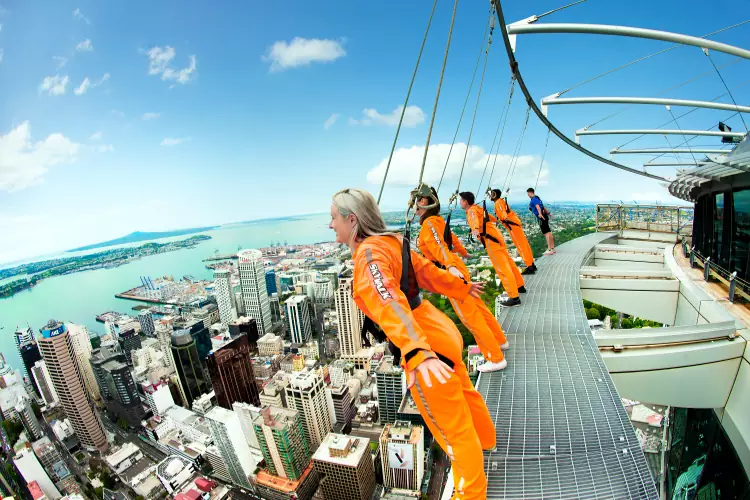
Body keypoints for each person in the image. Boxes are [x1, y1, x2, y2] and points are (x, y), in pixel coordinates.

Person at [330, 188, 494, 499]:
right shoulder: (394, 241)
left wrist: (418, 352)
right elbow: (428, 273)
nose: (330, 225)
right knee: (465, 393)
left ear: (352, 220)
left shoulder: (369, 255)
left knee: (451, 431)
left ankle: (471, 493)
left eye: (333, 218)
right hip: (439, 329)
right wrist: (461, 287)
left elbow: (389, 301)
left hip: (426, 344)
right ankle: (486, 441)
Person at [415, 186, 509, 373]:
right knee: (479, 310)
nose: (413, 206)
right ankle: (499, 341)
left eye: (415, 202)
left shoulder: (429, 224)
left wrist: (450, 266)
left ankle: (495, 357)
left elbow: (440, 246)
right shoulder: (437, 221)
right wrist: (463, 255)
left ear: (423, 202)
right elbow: (452, 240)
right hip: (456, 266)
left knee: (470, 317)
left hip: (451, 272)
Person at [460, 191, 525, 307]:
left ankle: (514, 297)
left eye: (461, 200)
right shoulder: (479, 208)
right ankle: (520, 286)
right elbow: (491, 218)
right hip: (496, 237)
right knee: (509, 263)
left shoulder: (471, 210)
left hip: (491, 241)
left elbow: (474, 218)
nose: (460, 203)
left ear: (465, 201)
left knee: (502, 268)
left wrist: (475, 228)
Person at [489, 188, 537, 274]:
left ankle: (530, 266)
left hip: (512, 226)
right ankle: (532, 264)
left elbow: (504, 215)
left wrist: (505, 221)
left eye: (492, 194)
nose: (490, 196)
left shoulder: (498, 203)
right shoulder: (500, 201)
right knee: (524, 244)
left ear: (495, 195)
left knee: (520, 246)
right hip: (515, 225)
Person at [527, 187, 555, 255]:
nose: (528, 195)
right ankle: (552, 248)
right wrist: (548, 213)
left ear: (531, 193)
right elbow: (543, 207)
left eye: (528, 194)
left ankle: (549, 249)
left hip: (541, 217)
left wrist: (539, 214)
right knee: (549, 232)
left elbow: (538, 207)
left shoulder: (534, 199)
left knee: (546, 233)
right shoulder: (537, 198)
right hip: (544, 216)